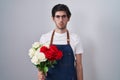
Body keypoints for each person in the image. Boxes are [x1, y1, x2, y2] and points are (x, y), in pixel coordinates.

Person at [38, 4, 84, 80]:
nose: (61, 20)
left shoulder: (75, 38)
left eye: (64, 16)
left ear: (68, 18)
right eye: (58, 16)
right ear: (53, 18)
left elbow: (79, 66)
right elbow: (41, 65)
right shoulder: (45, 38)